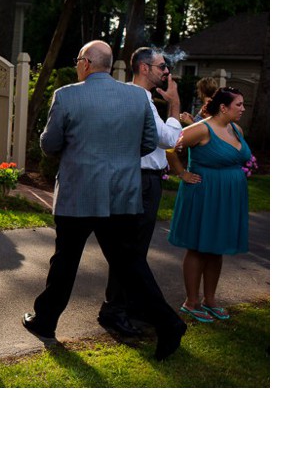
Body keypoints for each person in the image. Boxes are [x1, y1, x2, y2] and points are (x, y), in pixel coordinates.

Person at [23, 41, 186, 360]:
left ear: (85, 63)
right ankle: (168, 323)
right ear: (110, 65)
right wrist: (121, 161)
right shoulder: (137, 96)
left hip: (78, 194)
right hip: (122, 194)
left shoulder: (67, 95)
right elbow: (150, 142)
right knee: (130, 265)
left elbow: (49, 143)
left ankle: (45, 322)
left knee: (65, 261)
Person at [95, 47, 187, 336]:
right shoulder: (139, 99)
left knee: (135, 249)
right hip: (140, 179)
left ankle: (131, 306)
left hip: (142, 178)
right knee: (130, 250)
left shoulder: (138, 98)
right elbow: (170, 139)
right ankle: (114, 310)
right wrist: (174, 104)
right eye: (162, 67)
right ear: (144, 68)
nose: (167, 73)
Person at [168, 87, 252, 324]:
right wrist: (182, 173)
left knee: (217, 247)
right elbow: (170, 147)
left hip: (229, 195)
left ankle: (210, 299)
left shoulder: (236, 130)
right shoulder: (200, 129)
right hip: (204, 193)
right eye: (239, 105)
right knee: (198, 246)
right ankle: (191, 301)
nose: (243, 109)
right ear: (223, 107)